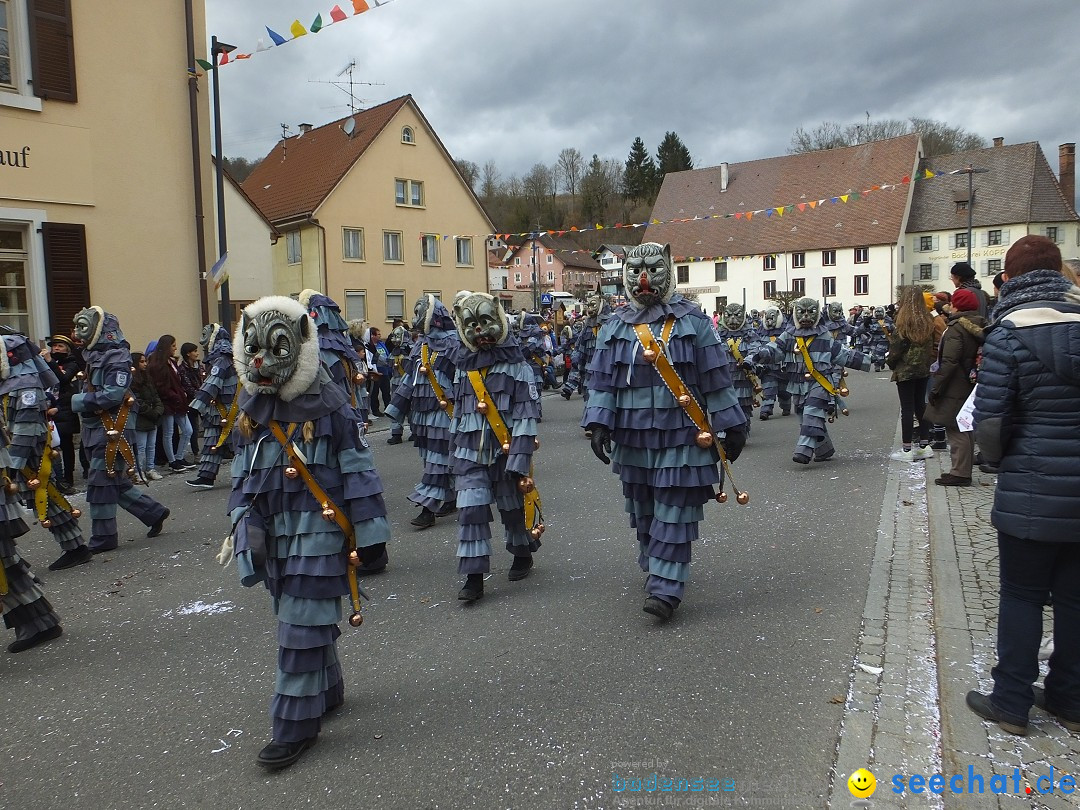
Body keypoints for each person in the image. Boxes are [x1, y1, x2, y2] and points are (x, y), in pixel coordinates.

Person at [223, 295, 391, 769]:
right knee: (298, 612)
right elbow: (244, 469)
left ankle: (294, 727)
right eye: (252, 349)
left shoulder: (331, 403)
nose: (259, 361)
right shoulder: (252, 406)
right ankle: (328, 691)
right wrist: (240, 516)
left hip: (319, 526)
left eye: (273, 349)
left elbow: (357, 465)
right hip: (272, 527)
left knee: (298, 621)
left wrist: (369, 533)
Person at [585, 243, 747, 621]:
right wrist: (598, 422)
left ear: (668, 270)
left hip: (684, 434)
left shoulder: (694, 322)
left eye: (653, 269)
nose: (643, 279)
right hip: (632, 437)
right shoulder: (613, 325)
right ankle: (658, 565)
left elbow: (716, 379)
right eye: (636, 271)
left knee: (674, 509)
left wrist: (731, 424)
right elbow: (602, 383)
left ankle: (665, 588)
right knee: (644, 511)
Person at [966, 235, 1080, 736]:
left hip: (1031, 489)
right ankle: (1070, 698)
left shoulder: (1008, 334)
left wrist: (997, 460)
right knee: (1076, 600)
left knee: (1021, 594)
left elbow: (990, 425)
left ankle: (1011, 701)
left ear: (1010, 279)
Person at [448, 291, 542, 602]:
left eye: (485, 322)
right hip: (470, 452)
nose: (479, 331)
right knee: (471, 511)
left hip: (506, 450)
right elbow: (459, 412)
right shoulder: (463, 366)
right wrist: (454, 452)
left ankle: (522, 552)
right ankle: (474, 578)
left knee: (512, 509)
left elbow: (527, 416)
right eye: (471, 324)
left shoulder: (518, 367)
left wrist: (519, 458)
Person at [70, 307, 169, 553]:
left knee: (99, 482)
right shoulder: (95, 356)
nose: (77, 333)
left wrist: (78, 401)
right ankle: (154, 512)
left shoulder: (116, 358)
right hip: (99, 427)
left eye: (83, 327)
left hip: (114, 427)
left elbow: (114, 394)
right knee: (112, 481)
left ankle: (104, 538)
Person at [1, 331, 91, 571]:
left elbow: (28, 427)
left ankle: (75, 548)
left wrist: (13, 462)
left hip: (29, 456)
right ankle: (11, 560)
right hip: (17, 455)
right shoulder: (13, 385)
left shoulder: (27, 386)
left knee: (47, 500)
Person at [755, 297, 872, 465]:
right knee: (805, 416)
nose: (806, 316)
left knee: (811, 414)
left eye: (811, 312)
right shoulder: (789, 334)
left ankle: (803, 451)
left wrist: (868, 360)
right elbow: (776, 349)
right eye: (802, 312)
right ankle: (824, 449)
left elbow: (842, 354)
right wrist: (760, 355)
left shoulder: (824, 335)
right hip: (797, 383)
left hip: (821, 382)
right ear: (795, 313)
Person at [385, 295, 459, 531]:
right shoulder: (421, 344)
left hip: (444, 413)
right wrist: (396, 408)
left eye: (419, 313)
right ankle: (451, 498)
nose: (415, 318)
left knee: (436, 461)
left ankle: (428, 509)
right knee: (434, 459)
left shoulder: (454, 343)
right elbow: (410, 379)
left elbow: (465, 379)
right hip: (422, 415)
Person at [923, 289, 986, 485]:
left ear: (957, 305)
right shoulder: (978, 324)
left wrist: (937, 386)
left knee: (955, 427)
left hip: (955, 384)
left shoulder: (956, 328)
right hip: (969, 381)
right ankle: (961, 470)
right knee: (965, 427)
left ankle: (960, 473)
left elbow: (949, 361)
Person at [884, 286, 936, 462]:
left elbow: (896, 349)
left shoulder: (903, 321)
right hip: (923, 368)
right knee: (921, 405)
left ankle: (907, 449)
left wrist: (890, 362)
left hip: (906, 370)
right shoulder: (928, 319)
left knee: (907, 408)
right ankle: (924, 444)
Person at [186, 324, 237, 490]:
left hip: (228, 410)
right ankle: (206, 477)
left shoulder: (221, 360)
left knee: (236, 444)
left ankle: (246, 474)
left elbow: (211, 384)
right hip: (220, 409)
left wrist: (196, 405)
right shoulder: (224, 358)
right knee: (212, 442)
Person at [147, 335, 194, 473]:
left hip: (178, 401)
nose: (175, 348)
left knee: (187, 430)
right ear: (167, 347)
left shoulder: (171, 362)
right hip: (169, 402)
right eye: (173, 346)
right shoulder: (157, 365)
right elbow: (161, 386)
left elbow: (177, 381)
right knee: (169, 433)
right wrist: (175, 396)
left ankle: (179, 457)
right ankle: (173, 461)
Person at [44, 334, 82, 493]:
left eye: (60, 346)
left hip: (64, 408)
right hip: (50, 408)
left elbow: (63, 379)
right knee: (51, 445)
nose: (56, 349)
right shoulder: (48, 362)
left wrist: (50, 362)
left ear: (67, 349)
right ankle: (54, 477)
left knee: (66, 445)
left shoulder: (72, 363)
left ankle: (68, 478)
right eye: (54, 346)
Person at [130, 352, 164, 481]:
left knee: (151, 445)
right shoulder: (133, 380)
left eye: (145, 361)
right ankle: (138, 471)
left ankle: (150, 468)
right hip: (141, 418)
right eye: (142, 362)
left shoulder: (148, 378)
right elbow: (137, 401)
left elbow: (156, 396)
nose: (145, 364)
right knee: (141, 447)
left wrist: (158, 410)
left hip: (153, 417)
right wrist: (152, 412)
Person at [178, 341, 204, 459]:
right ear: (188, 354)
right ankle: (195, 452)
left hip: (203, 399)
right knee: (193, 427)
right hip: (191, 401)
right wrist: (199, 395)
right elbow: (187, 386)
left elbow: (203, 380)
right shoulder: (183, 368)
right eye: (194, 351)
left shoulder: (199, 366)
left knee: (208, 424)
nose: (197, 354)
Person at [366, 326, 392, 417]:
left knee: (386, 392)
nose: (380, 336)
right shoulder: (369, 347)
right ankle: (375, 410)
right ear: (372, 336)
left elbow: (387, 356)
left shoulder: (381, 344)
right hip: (375, 372)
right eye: (378, 334)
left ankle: (388, 409)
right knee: (375, 393)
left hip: (384, 371)